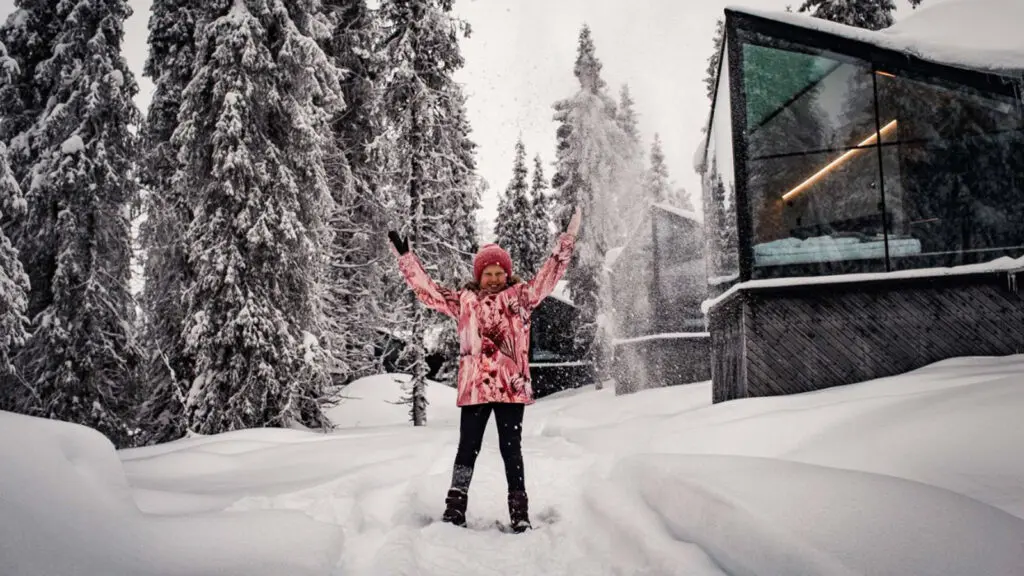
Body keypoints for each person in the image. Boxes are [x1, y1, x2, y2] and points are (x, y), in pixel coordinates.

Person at [388, 207, 581, 533]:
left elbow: (549, 275)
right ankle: (455, 508)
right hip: (476, 388)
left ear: (507, 274)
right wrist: (407, 259)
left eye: (498, 272)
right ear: (478, 276)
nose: (493, 278)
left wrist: (567, 241)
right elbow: (429, 292)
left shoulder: (522, 297)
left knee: (511, 450)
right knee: (467, 448)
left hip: (510, 387)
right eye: (487, 273)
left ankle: (519, 512)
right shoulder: (464, 300)